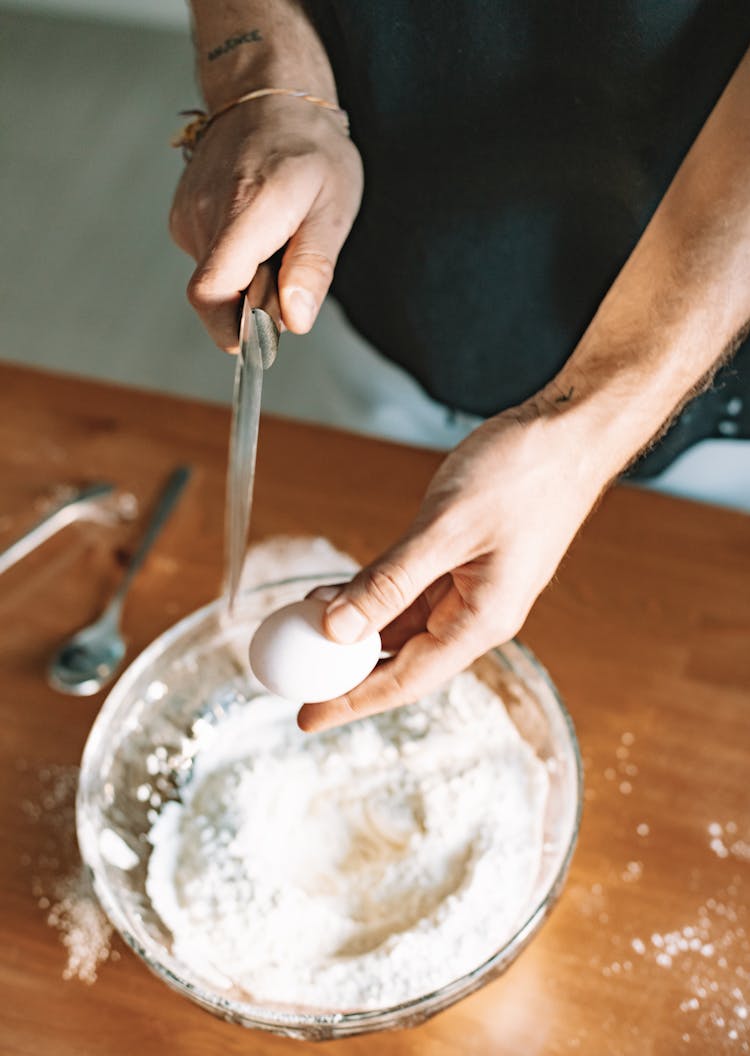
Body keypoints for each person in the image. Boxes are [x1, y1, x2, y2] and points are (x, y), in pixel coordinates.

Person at [170, 2, 750, 732]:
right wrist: (263, 76)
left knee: (677, 653)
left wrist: (582, 425)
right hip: (390, 272)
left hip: (706, 360)